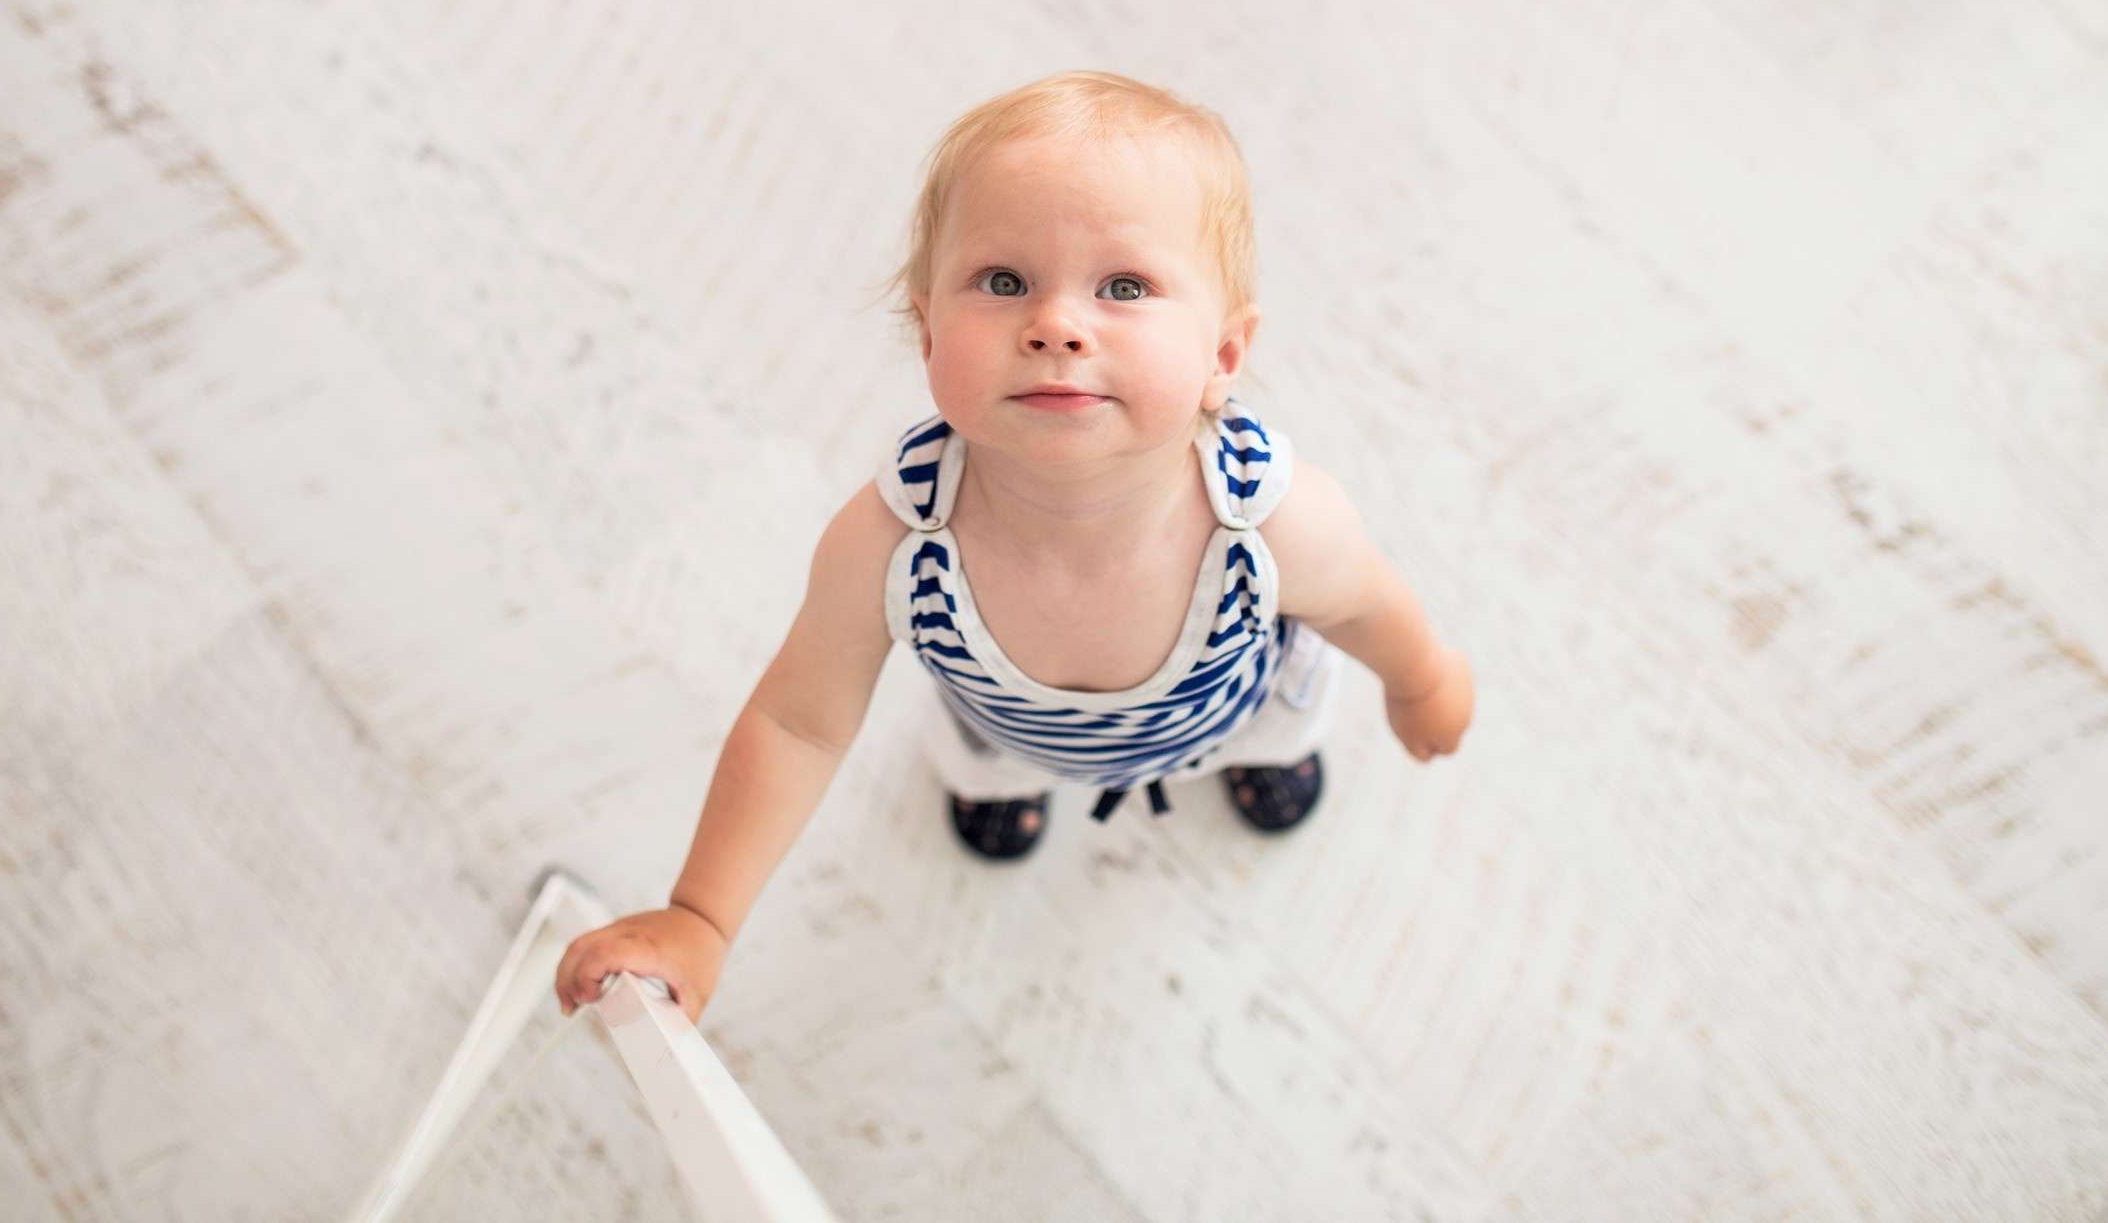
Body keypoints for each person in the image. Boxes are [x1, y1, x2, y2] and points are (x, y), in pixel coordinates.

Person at [556, 71, 1476, 1024]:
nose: (1055, 326)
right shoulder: (899, 544)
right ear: (926, 329)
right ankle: (1017, 786)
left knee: (1275, 728)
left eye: (1124, 286)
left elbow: (1363, 603)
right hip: (1006, 727)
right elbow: (799, 721)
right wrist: (701, 915)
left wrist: (1421, 677)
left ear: (1224, 357)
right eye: (1003, 283)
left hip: (1229, 710)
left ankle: (1251, 763)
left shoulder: (1268, 522)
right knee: (985, 760)